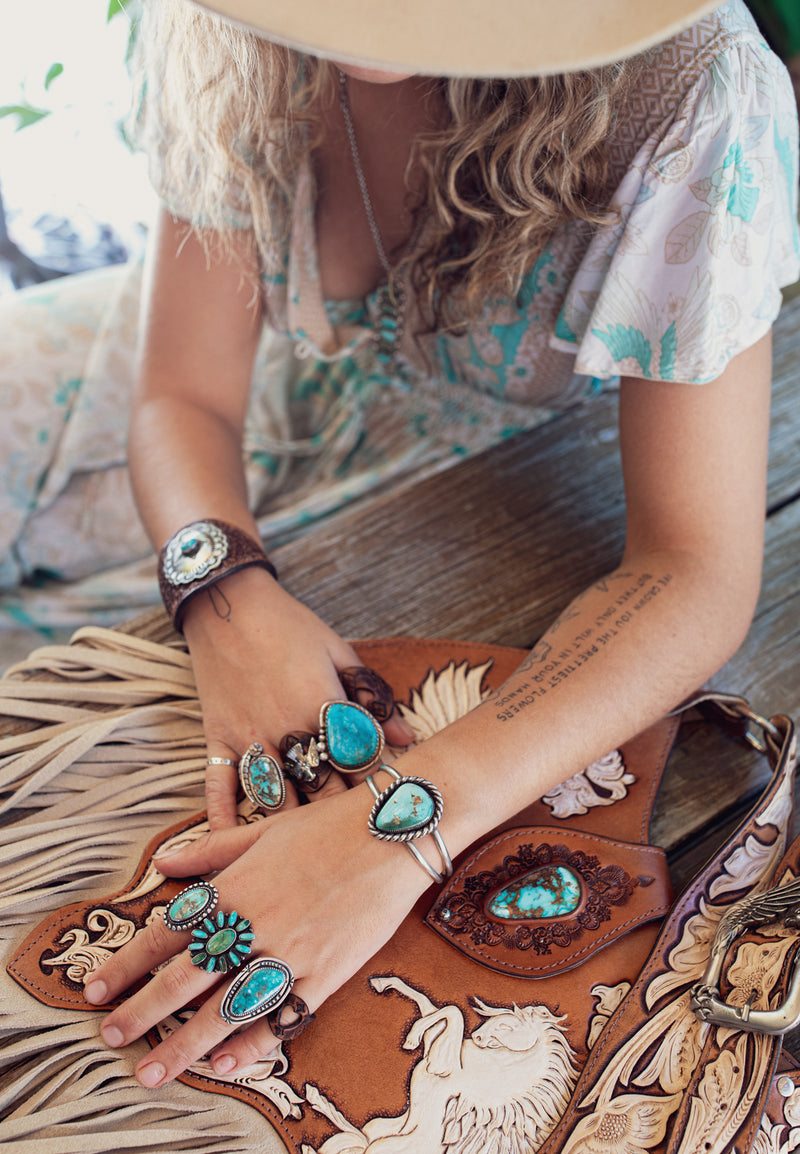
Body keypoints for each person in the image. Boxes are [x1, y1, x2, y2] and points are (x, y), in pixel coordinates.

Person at [4, 0, 798, 1088]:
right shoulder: (219, 24)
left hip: (451, 495)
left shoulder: (691, 87)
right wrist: (223, 594)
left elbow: (694, 568)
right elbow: (180, 396)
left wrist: (392, 834)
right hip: (211, 435)